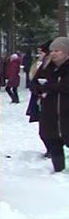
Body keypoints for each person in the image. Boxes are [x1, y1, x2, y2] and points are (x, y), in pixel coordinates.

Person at [31, 37, 69, 172]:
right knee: (52, 140)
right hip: (50, 112)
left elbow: (64, 87)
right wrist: (41, 88)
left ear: (66, 52)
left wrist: (49, 86)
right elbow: (34, 84)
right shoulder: (47, 67)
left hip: (66, 112)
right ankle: (59, 170)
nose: (53, 54)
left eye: (57, 51)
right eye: (52, 51)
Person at [26, 41, 53, 153]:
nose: (39, 55)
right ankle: (51, 150)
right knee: (44, 130)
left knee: (49, 130)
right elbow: (33, 81)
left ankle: (53, 150)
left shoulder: (51, 65)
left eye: (41, 52)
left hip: (50, 101)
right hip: (39, 98)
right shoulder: (40, 64)